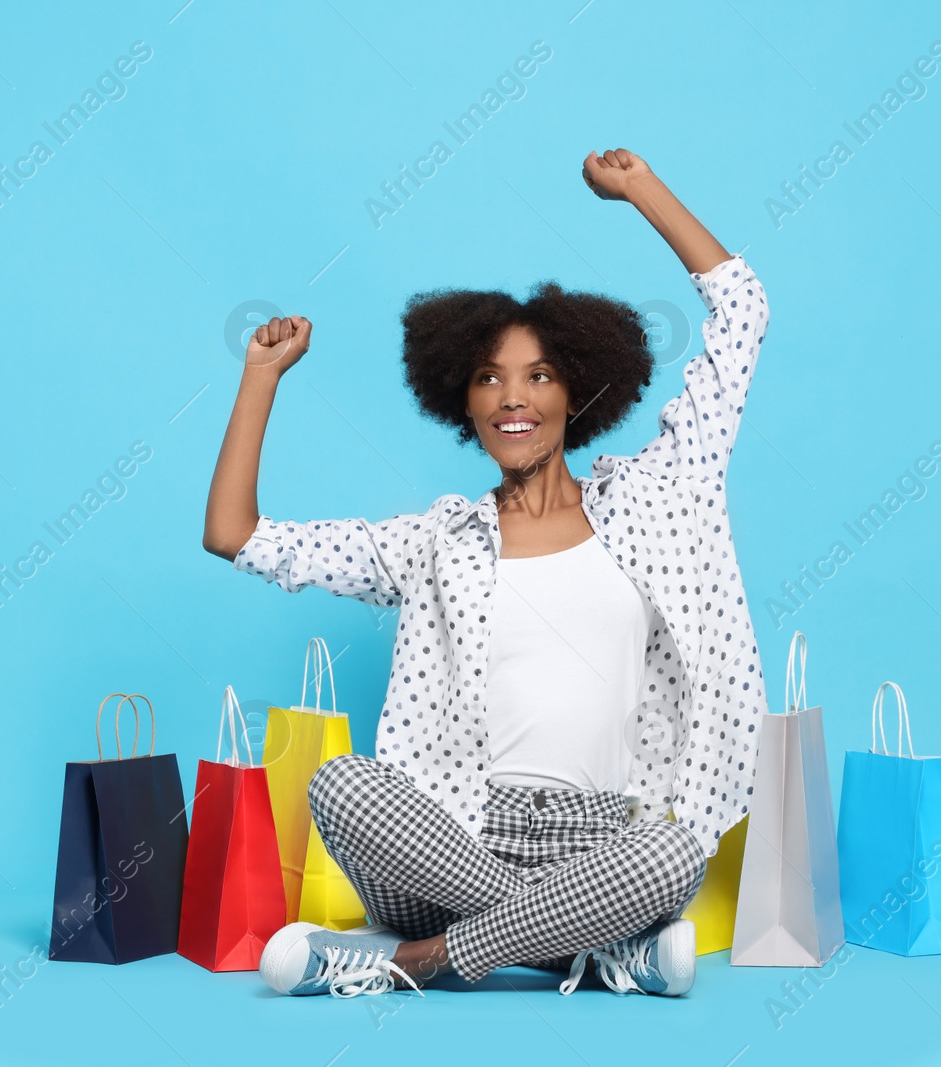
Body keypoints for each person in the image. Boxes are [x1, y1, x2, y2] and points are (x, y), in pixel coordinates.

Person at [203, 148, 770, 998]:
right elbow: (234, 535)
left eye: (540, 375)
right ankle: (590, 951)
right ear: (461, 402)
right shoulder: (439, 542)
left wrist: (638, 188)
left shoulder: (661, 496)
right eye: (489, 378)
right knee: (342, 785)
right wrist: (259, 378)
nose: (515, 397)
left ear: (577, 391)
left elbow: (743, 312)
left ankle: (409, 961)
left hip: (604, 845)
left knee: (673, 852)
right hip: (454, 840)